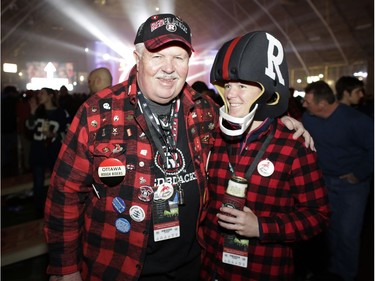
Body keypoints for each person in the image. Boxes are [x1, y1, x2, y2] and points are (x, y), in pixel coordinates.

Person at [44, 14, 313, 281]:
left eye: (179, 57)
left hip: (193, 266)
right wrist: (66, 269)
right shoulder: (97, 112)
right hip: (119, 267)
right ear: (138, 59)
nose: (169, 67)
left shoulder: (205, 111)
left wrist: (277, 118)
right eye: (157, 56)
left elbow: (245, 126)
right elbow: (64, 195)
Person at [200, 31, 330, 281]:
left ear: (266, 88)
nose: (231, 94)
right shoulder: (212, 135)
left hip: (262, 269)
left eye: (242, 85)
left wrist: (261, 227)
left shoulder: (294, 145)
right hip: (211, 267)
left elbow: (318, 215)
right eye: (227, 85)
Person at [302, 80, 374, 281]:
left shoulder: (356, 121)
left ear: (322, 104)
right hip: (324, 183)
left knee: (348, 234)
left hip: (352, 187)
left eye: (308, 101)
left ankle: (347, 274)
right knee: (330, 231)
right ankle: (333, 270)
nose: (304, 105)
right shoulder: (309, 119)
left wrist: (358, 174)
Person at [25, 87, 69, 217]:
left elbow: (68, 132)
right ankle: (39, 210)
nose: (39, 95)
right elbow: (29, 127)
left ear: (50, 96)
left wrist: (54, 134)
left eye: (42, 93)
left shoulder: (61, 112)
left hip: (54, 151)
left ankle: (57, 208)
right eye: (38, 93)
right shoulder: (38, 111)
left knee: (57, 181)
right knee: (38, 181)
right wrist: (32, 112)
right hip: (38, 150)